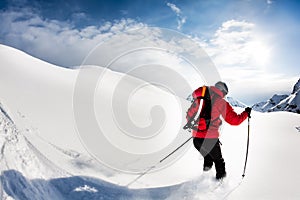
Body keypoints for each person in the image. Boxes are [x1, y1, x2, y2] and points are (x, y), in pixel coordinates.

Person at [191, 81, 251, 180]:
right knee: (219, 161)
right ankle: (220, 184)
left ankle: (204, 179)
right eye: (225, 94)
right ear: (222, 91)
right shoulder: (221, 102)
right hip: (210, 139)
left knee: (208, 157)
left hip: (196, 139)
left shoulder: (200, 98)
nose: (224, 96)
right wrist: (245, 114)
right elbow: (234, 120)